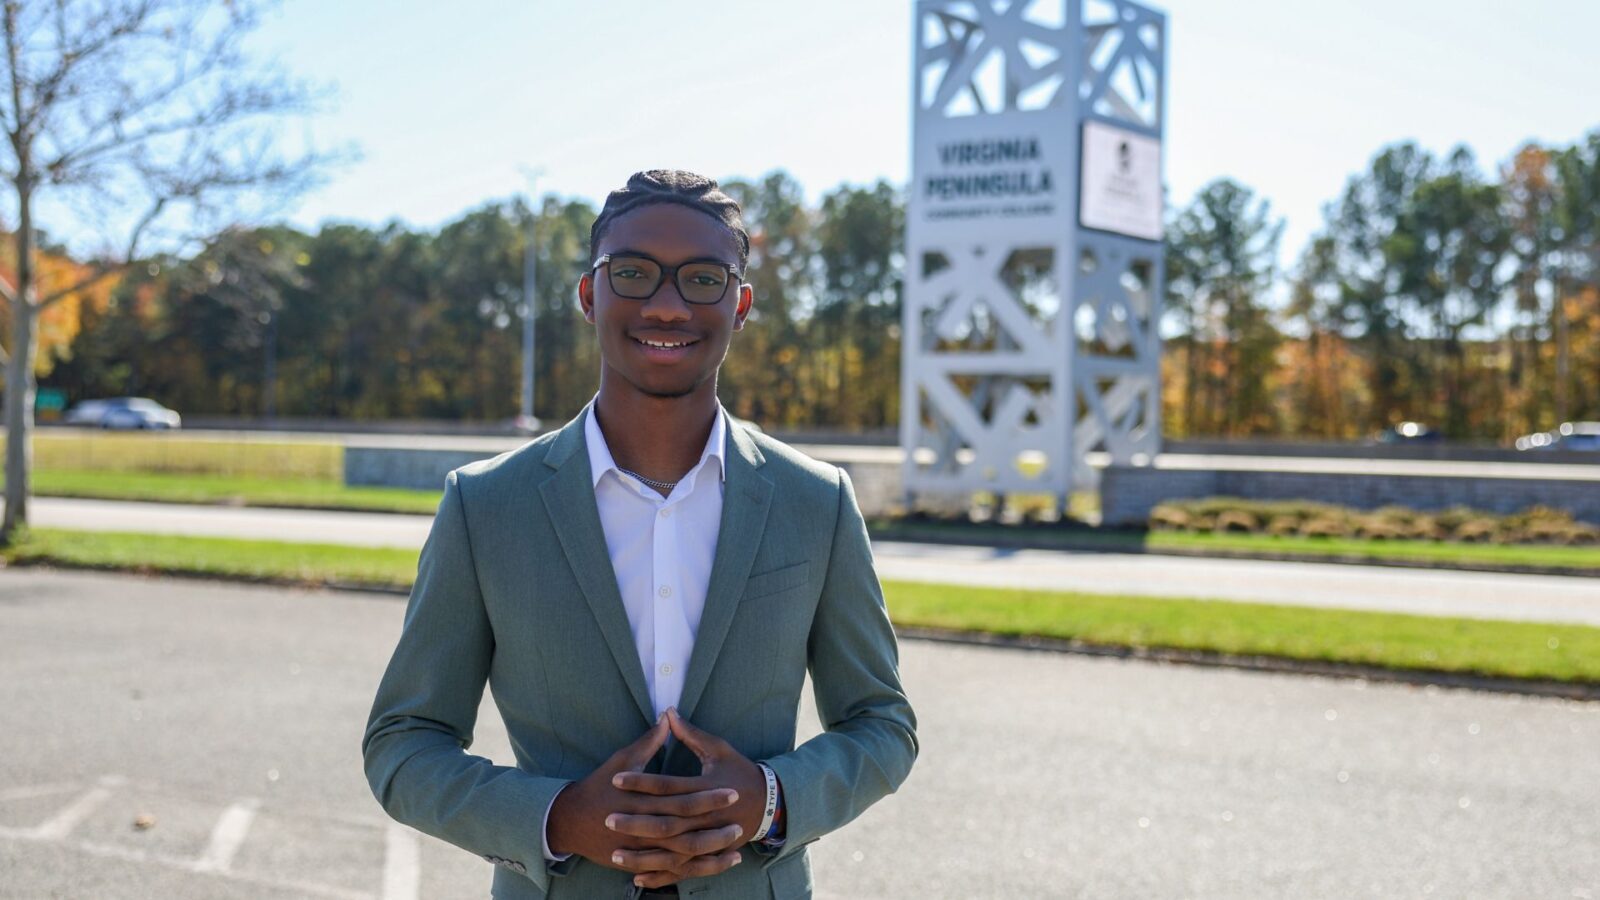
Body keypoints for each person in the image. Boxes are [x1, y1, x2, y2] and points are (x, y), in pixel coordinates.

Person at [363, 169, 918, 899]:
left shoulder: (816, 501)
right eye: (633, 273)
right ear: (590, 294)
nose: (666, 305)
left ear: (740, 304)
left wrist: (772, 801)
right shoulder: (484, 505)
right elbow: (403, 743)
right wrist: (557, 818)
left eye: (702, 279)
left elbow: (882, 724)